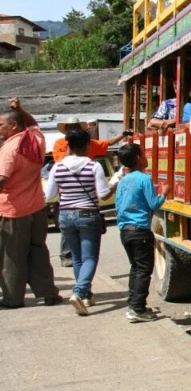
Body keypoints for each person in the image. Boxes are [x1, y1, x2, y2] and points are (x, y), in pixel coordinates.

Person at [0, 98, 62, 308]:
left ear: (14, 125)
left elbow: (1, 179)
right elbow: (33, 123)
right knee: (38, 252)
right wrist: (21, 110)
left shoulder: (9, 149)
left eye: (1, 125)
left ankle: (12, 299)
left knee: (12, 257)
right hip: (37, 209)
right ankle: (49, 293)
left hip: (13, 212)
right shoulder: (36, 140)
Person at [45, 129, 113, 316]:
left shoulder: (57, 167)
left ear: (68, 146)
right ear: (87, 145)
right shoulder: (93, 166)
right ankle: (79, 292)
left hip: (65, 216)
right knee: (90, 258)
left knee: (77, 258)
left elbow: (50, 195)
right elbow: (103, 194)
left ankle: (85, 295)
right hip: (87, 214)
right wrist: (114, 185)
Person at [53, 117, 130, 267]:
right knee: (73, 231)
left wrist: (123, 134)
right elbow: (61, 161)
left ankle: (77, 263)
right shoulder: (61, 145)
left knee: (72, 228)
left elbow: (107, 143)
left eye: (75, 126)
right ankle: (67, 256)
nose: (73, 128)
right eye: (70, 127)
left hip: (81, 195)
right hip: (72, 193)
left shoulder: (90, 145)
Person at [115, 143, 169, 323]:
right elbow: (154, 204)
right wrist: (165, 193)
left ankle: (133, 304)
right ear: (138, 158)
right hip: (140, 231)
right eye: (144, 154)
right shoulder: (144, 179)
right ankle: (137, 309)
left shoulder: (123, 180)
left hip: (125, 231)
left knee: (136, 268)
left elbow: (118, 205)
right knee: (144, 270)